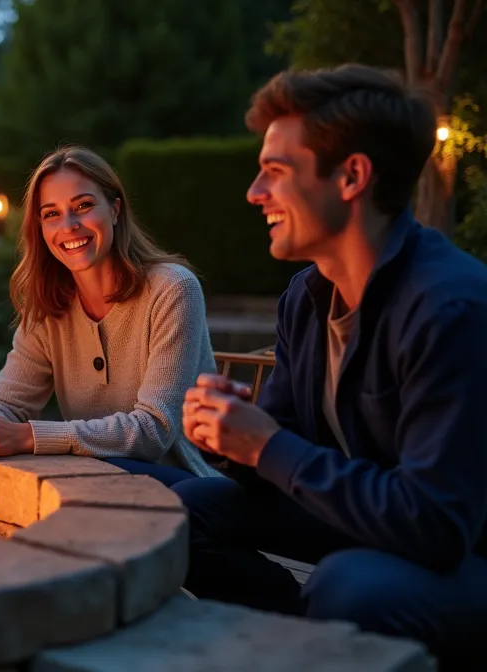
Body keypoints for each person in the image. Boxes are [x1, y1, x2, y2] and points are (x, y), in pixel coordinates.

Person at [177, 64, 487, 665]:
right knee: (186, 513)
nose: (253, 192)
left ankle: (324, 632)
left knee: (350, 587)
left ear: (352, 176)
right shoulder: (308, 295)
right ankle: (302, 637)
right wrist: (228, 437)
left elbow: (437, 526)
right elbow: (286, 440)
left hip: (459, 550)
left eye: (276, 171)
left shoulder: (450, 308)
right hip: (369, 517)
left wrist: (266, 447)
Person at [0, 146, 220, 485]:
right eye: (51, 214)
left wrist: (29, 436)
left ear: (116, 210)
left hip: (184, 486)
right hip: (94, 478)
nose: (70, 225)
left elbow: (154, 431)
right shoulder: (48, 306)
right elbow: (7, 401)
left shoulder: (172, 289)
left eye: (84, 206)